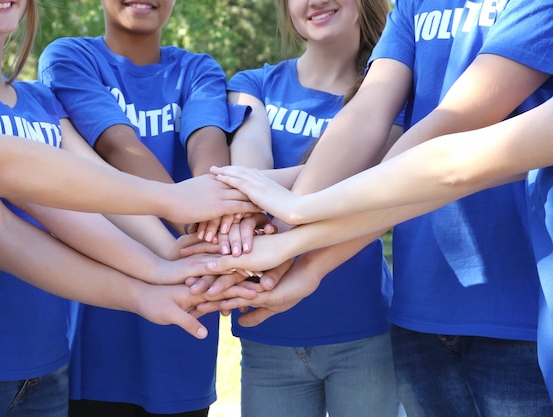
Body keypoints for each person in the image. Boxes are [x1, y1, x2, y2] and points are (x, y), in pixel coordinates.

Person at [202, 1, 553, 415]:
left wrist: (296, 224)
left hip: (519, 307)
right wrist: (289, 241)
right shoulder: (411, 4)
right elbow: (370, 117)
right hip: (418, 307)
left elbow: (453, 150)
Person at [0, 0, 243, 415]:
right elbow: (13, 194)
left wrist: (170, 257)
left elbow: (98, 188)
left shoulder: (39, 99)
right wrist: (175, 206)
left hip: (48, 362)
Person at [38, 1, 245, 415]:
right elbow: (117, 145)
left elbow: (208, 146)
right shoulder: (71, 57)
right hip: (102, 322)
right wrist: (194, 218)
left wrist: (208, 218)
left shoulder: (198, 68)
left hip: (186, 310)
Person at [221, 0, 401, 415]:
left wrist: (275, 197)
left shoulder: (392, 94)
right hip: (267, 333)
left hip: (364, 333)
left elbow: (373, 183)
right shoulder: (253, 83)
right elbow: (251, 175)